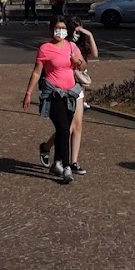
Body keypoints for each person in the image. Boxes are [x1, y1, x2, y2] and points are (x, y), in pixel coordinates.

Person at [23, 15, 87, 184]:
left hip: (70, 94)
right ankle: (66, 167)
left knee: (63, 130)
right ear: (52, 29)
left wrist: (77, 61)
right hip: (53, 94)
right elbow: (37, 71)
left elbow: (83, 66)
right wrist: (28, 93)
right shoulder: (45, 48)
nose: (61, 31)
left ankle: (55, 161)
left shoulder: (72, 46)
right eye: (58, 28)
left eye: (64, 28)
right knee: (64, 129)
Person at [39, 17, 98, 175]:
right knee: (66, 128)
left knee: (76, 126)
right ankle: (48, 149)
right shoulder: (62, 44)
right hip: (63, 89)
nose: (78, 33)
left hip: (77, 88)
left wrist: (89, 34)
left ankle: (73, 161)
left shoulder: (77, 45)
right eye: (76, 30)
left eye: (81, 30)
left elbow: (93, 55)